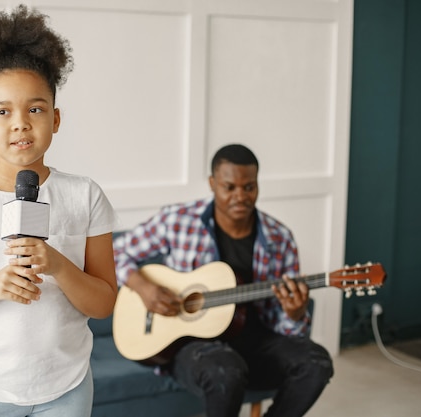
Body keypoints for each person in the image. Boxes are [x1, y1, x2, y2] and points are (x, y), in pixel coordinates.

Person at [0, 6, 118, 417]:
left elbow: (103, 304)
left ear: (56, 117)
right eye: (2, 111)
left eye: (35, 109)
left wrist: (60, 266)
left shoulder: (85, 196)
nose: (20, 124)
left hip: (66, 386)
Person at [113, 144, 333, 417]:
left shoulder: (280, 238)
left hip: (256, 341)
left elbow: (288, 330)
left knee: (317, 363)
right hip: (192, 346)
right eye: (229, 187)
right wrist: (143, 288)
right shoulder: (178, 220)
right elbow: (115, 251)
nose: (240, 197)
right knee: (225, 370)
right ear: (212, 183)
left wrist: (295, 313)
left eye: (249, 187)